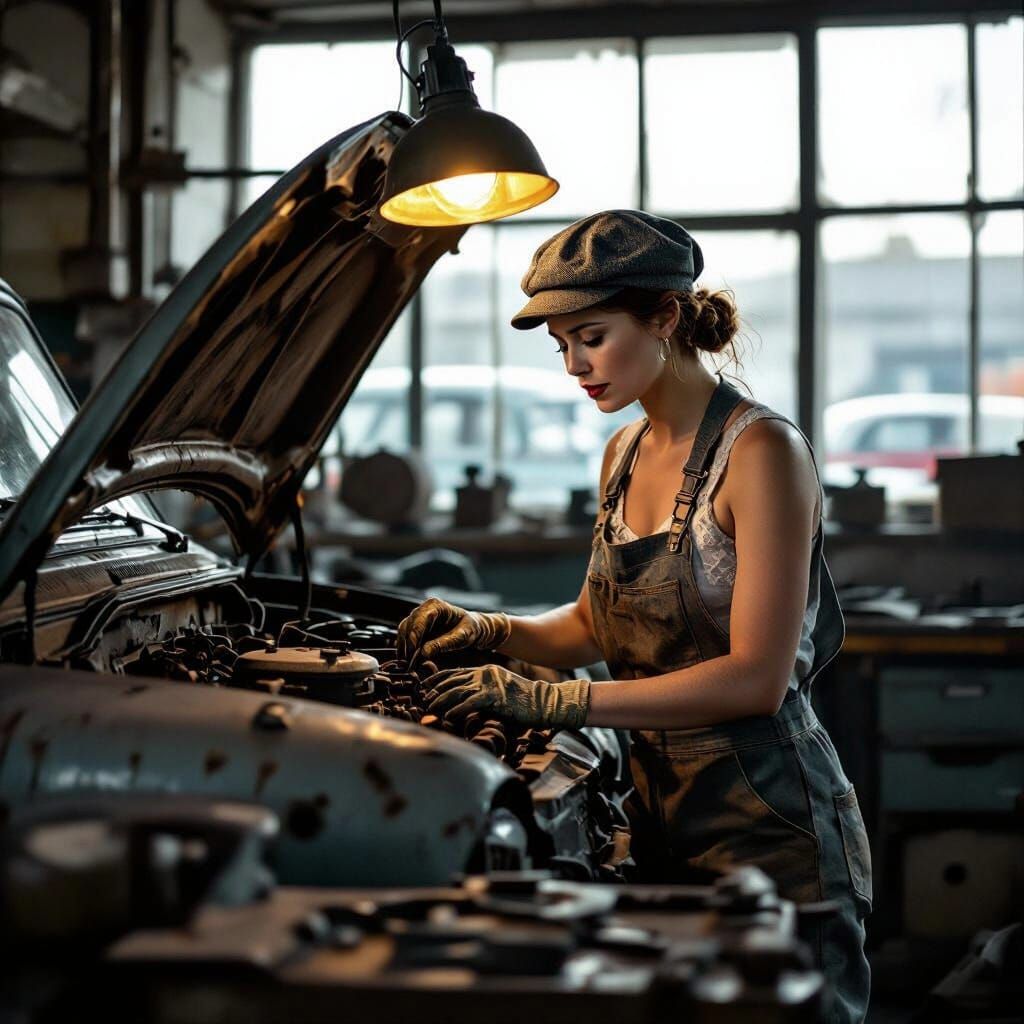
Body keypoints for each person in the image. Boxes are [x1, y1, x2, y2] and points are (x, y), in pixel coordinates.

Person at [397, 210, 872, 1022]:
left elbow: (756, 679)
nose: (576, 365)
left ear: (666, 317)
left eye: (592, 335)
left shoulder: (760, 454)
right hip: (657, 813)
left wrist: (556, 700)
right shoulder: (623, 453)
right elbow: (592, 624)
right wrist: (492, 629)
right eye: (561, 346)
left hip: (768, 821)